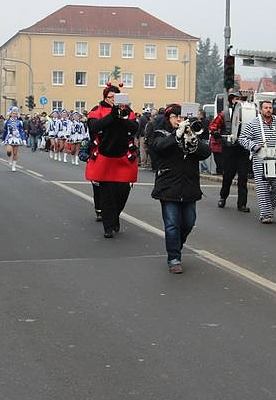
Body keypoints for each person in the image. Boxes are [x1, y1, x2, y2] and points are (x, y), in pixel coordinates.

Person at [149, 104, 211, 273]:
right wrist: (176, 135)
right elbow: (159, 147)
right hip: (168, 185)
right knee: (172, 224)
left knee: (189, 222)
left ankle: (176, 245)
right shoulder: (161, 133)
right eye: (175, 117)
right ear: (168, 119)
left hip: (189, 186)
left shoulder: (192, 133)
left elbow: (206, 152)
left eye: (182, 117)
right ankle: (174, 258)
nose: (179, 119)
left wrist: (193, 140)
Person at [85, 84, 139, 238]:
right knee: (107, 195)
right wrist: (112, 116)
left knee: (122, 193)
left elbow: (134, 128)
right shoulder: (97, 110)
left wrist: (121, 117)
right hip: (105, 157)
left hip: (123, 158)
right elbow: (94, 127)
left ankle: (114, 216)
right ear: (105, 97)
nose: (113, 100)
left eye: (116, 97)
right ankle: (108, 226)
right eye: (110, 97)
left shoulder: (127, 110)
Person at [239, 100, 276, 223]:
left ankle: (268, 210)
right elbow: (242, 138)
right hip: (260, 159)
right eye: (266, 108)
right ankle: (266, 215)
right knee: (263, 187)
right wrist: (254, 146)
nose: (268, 110)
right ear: (260, 110)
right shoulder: (253, 123)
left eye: (270, 108)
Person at [209, 93, 250, 212]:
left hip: (243, 149)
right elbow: (212, 126)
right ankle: (223, 197)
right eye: (237, 99)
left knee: (243, 178)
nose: (240, 101)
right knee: (227, 176)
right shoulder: (225, 113)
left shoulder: (248, 115)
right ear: (232, 101)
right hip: (229, 149)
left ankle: (242, 204)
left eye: (241, 100)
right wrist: (216, 134)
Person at [0, 106, 26, 171]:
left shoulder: (19, 122)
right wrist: (3, 139)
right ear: (10, 114)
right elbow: (5, 131)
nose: (15, 115)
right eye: (13, 113)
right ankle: (10, 158)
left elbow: (21, 131)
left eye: (16, 113)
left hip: (17, 138)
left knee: (15, 153)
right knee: (9, 151)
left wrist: (23, 139)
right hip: (9, 138)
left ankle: (14, 166)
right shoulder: (7, 122)